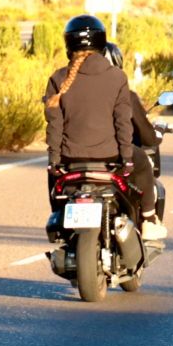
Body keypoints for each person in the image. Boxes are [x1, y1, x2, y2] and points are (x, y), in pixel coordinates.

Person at [43, 14, 143, 225]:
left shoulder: (57, 78)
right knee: (142, 162)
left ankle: (60, 218)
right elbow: (123, 122)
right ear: (101, 42)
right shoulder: (117, 77)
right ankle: (150, 219)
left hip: (69, 159)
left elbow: (54, 126)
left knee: (53, 181)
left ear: (68, 44)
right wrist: (126, 159)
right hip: (109, 155)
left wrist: (54, 161)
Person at [105, 43, 165, 240]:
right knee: (144, 165)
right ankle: (149, 219)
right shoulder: (125, 96)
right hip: (115, 155)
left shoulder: (72, 93)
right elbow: (148, 137)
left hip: (74, 157)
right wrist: (156, 134)